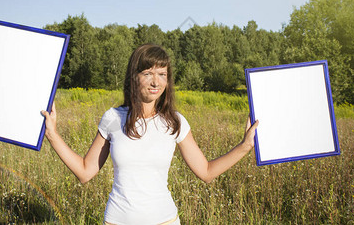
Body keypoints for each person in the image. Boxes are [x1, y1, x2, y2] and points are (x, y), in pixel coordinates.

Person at [42, 44, 258, 225]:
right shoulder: (113, 118)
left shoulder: (175, 122)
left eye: (162, 74)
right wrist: (52, 134)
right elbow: (85, 172)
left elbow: (207, 172)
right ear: (134, 77)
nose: (156, 82)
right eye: (148, 74)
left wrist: (245, 146)